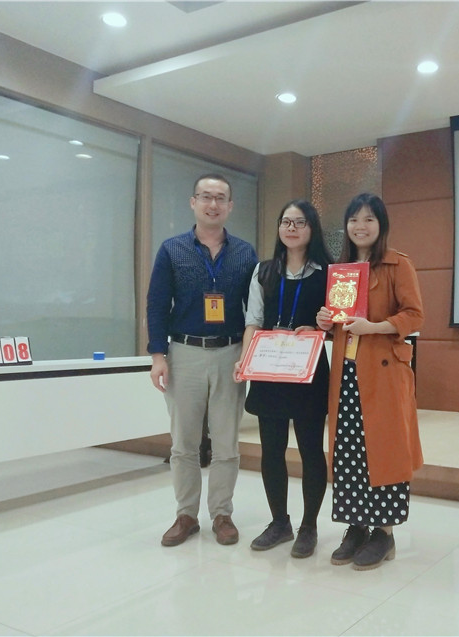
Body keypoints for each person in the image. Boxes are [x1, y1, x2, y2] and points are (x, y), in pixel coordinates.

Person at [147, 173, 257, 547]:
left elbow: (255, 309)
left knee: (226, 442)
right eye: (206, 197)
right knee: (184, 443)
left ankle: (222, 514)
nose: (213, 204)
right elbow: (157, 304)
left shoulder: (245, 253)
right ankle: (186, 515)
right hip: (184, 353)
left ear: (230, 206)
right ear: (193, 202)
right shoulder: (172, 249)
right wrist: (158, 356)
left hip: (230, 353)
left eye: (220, 198)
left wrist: (251, 354)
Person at [315, 193, 424, 571]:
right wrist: (326, 321)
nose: (360, 226)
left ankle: (384, 533)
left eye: (368, 219)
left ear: (381, 225)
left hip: (384, 373)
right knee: (349, 449)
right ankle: (356, 526)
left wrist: (375, 327)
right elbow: (341, 322)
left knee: (383, 449)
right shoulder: (342, 270)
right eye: (353, 220)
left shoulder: (398, 264)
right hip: (346, 372)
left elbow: (415, 315)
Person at [234, 200, 332, 559]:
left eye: (300, 222)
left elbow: (338, 323)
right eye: (286, 222)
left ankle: (309, 526)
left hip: (308, 369)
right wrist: (245, 360)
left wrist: (324, 326)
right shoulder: (263, 271)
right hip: (269, 367)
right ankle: (279, 522)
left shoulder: (328, 272)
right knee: (271, 450)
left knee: (310, 450)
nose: (292, 228)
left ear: (312, 228)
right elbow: (253, 321)